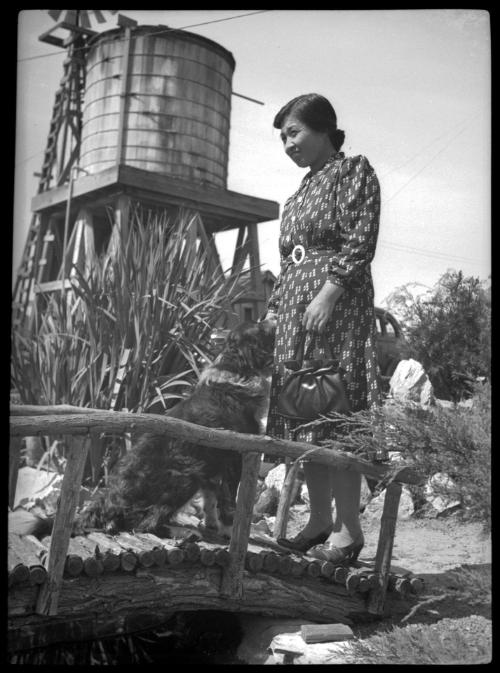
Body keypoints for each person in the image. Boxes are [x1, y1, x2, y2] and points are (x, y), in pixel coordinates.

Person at [264, 93, 381, 564]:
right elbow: (287, 261)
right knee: (303, 412)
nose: (287, 144)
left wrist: (329, 293)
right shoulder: (298, 194)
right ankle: (317, 521)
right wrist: (276, 308)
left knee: (336, 405)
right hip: (295, 309)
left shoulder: (352, 172)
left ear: (324, 129)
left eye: (294, 133)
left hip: (334, 307)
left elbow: (360, 238)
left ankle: (349, 530)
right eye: (282, 138)